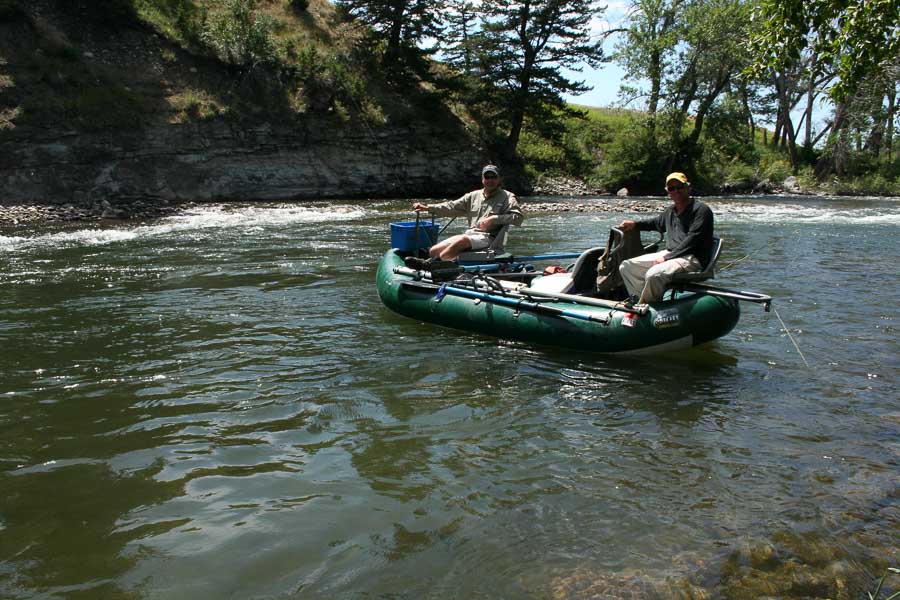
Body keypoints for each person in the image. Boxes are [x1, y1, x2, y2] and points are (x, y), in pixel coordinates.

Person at [618, 172, 714, 304]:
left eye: (679, 187)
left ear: (688, 188)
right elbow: (655, 223)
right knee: (626, 266)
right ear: (668, 192)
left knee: (654, 274)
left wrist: (666, 258)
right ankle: (642, 303)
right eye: (671, 188)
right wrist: (635, 224)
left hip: (691, 258)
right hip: (672, 254)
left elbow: (693, 240)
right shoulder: (670, 211)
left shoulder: (701, 210)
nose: (676, 191)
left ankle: (647, 305)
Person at [406, 165, 524, 265]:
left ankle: (431, 265)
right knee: (434, 250)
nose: (490, 180)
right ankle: (442, 264)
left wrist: (494, 218)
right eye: (487, 177)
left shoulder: (508, 197)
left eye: (494, 177)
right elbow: (451, 207)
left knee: (462, 240)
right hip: (471, 235)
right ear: (482, 179)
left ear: (499, 179)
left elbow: (518, 218)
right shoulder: (473, 196)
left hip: (490, 239)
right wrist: (427, 208)